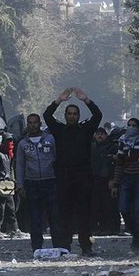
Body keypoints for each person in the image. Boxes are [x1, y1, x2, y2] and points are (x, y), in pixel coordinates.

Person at [43, 87, 103, 256]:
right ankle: (65, 246)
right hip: (64, 175)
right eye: (69, 114)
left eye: (74, 114)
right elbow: (47, 116)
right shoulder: (59, 130)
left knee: (84, 211)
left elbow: (97, 116)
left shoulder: (85, 129)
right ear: (65, 115)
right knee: (65, 212)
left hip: (82, 175)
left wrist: (86, 101)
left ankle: (86, 245)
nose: (72, 116)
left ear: (78, 116)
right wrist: (58, 101)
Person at [15, 113, 60, 251]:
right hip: (32, 183)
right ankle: (37, 247)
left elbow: (57, 160)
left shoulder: (51, 139)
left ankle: (58, 246)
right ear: (27, 125)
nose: (33, 125)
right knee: (35, 218)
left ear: (40, 123)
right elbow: (20, 165)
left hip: (50, 181)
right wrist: (20, 185)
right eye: (30, 122)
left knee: (54, 216)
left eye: (35, 122)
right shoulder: (23, 144)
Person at [111, 122, 139, 253]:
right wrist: (115, 184)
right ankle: (132, 229)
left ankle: (137, 241)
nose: (131, 128)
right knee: (123, 208)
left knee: (138, 211)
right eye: (129, 125)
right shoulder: (123, 142)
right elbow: (119, 164)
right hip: (126, 178)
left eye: (134, 125)